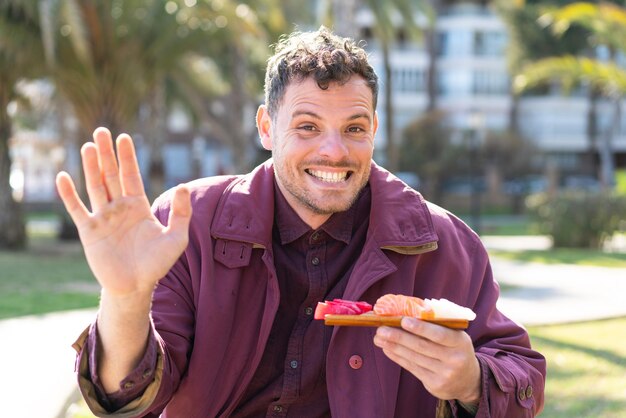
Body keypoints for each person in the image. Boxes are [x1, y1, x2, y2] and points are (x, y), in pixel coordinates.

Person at [57, 27, 545, 418]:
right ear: (267, 127)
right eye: (308, 126)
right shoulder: (186, 226)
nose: (334, 150)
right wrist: (125, 297)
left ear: (374, 129)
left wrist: (470, 381)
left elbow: (523, 377)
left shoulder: (447, 246)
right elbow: (129, 397)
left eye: (354, 128)